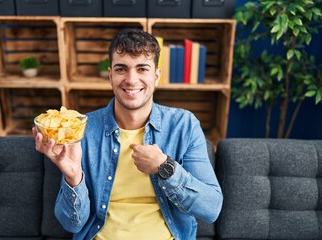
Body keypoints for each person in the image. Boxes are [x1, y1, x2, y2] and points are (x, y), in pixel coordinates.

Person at [33, 28, 222, 240]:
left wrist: (165, 168)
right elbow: (72, 225)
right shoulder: (80, 129)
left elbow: (211, 208)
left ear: (156, 76)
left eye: (142, 69)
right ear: (110, 75)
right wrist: (73, 177)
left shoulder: (184, 125)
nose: (131, 80)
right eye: (122, 69)